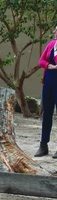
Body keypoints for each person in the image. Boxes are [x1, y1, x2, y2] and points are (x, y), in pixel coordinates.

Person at [35, 25, 57, 157]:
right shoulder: (51, 44)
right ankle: (43, 145)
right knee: (47, 114)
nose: (54, 31)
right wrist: (49, 65)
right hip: (48, 82)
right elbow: (40, 61)